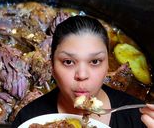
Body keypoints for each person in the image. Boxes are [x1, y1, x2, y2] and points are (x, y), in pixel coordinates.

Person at [11, 15, 154, 128]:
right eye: (68, 62)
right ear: (52, 67)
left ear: (107, 67)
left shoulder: (138, 117)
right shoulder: (28, 119)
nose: (82, 75)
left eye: (95, 61)